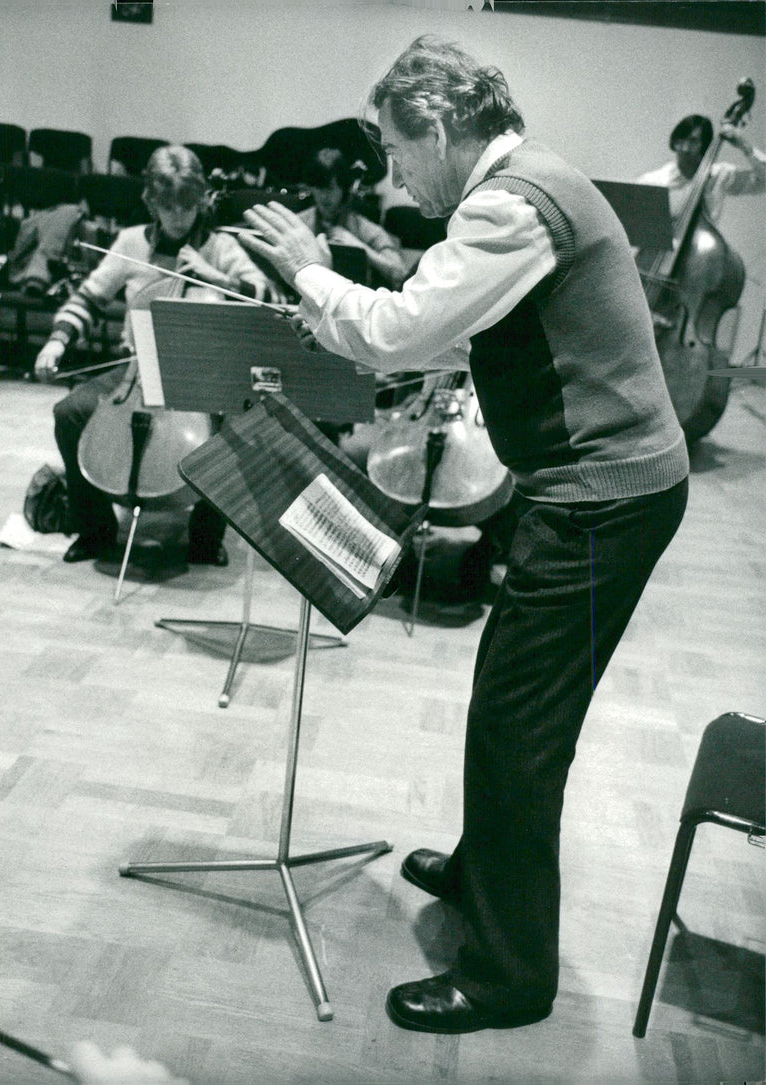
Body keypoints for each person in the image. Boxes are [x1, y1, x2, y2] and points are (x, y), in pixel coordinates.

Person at [239, 36, 689, 1034]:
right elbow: (451, 334)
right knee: (506, 697)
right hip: (606, 487)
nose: (394, 175)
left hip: (600, 497)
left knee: (519, 730)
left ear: (440, 128)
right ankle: (484, 869)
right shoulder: (532, 184)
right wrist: (342, 309)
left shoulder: (508, 206)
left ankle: (507, 974)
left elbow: (401, 331)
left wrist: (313, 273)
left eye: (397, 151)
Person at [35, 144, 279, 565]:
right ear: (151, 202)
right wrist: (57, 339)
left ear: (201, 200)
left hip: (201, 375)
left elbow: (269, 298)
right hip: (137, 370)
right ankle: (95, 530)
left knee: (232, 429)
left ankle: (206, 537)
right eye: (168, 206)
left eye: (187, 205)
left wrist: (218, 278)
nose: (179, 216)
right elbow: (90, 298)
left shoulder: (221, 247)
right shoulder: (130, 242)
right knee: (69, 413)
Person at [299, 146, 407, 288]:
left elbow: (400, 273)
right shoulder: (299, 222)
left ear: (343, 188)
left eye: (330, 188)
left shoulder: (364, 228)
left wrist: (360, 248)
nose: (323, 196)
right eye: (319, 188)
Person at [637, 112, 766, 224]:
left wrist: (743, 145)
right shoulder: (656, 180)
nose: (685, 148)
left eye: (693, 142)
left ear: (704, 146)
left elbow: (763, 182)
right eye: (680, 141)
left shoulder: (720, 175)